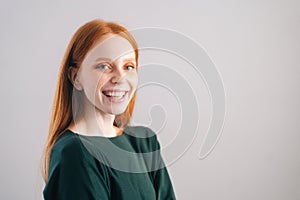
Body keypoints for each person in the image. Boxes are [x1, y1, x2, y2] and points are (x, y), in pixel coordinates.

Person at [42, 19, 176, 200]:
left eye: (128, 66)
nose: (119, 78)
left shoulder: (144, 142)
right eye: (104, 66)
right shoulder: (74, 153)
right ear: (76, 78)